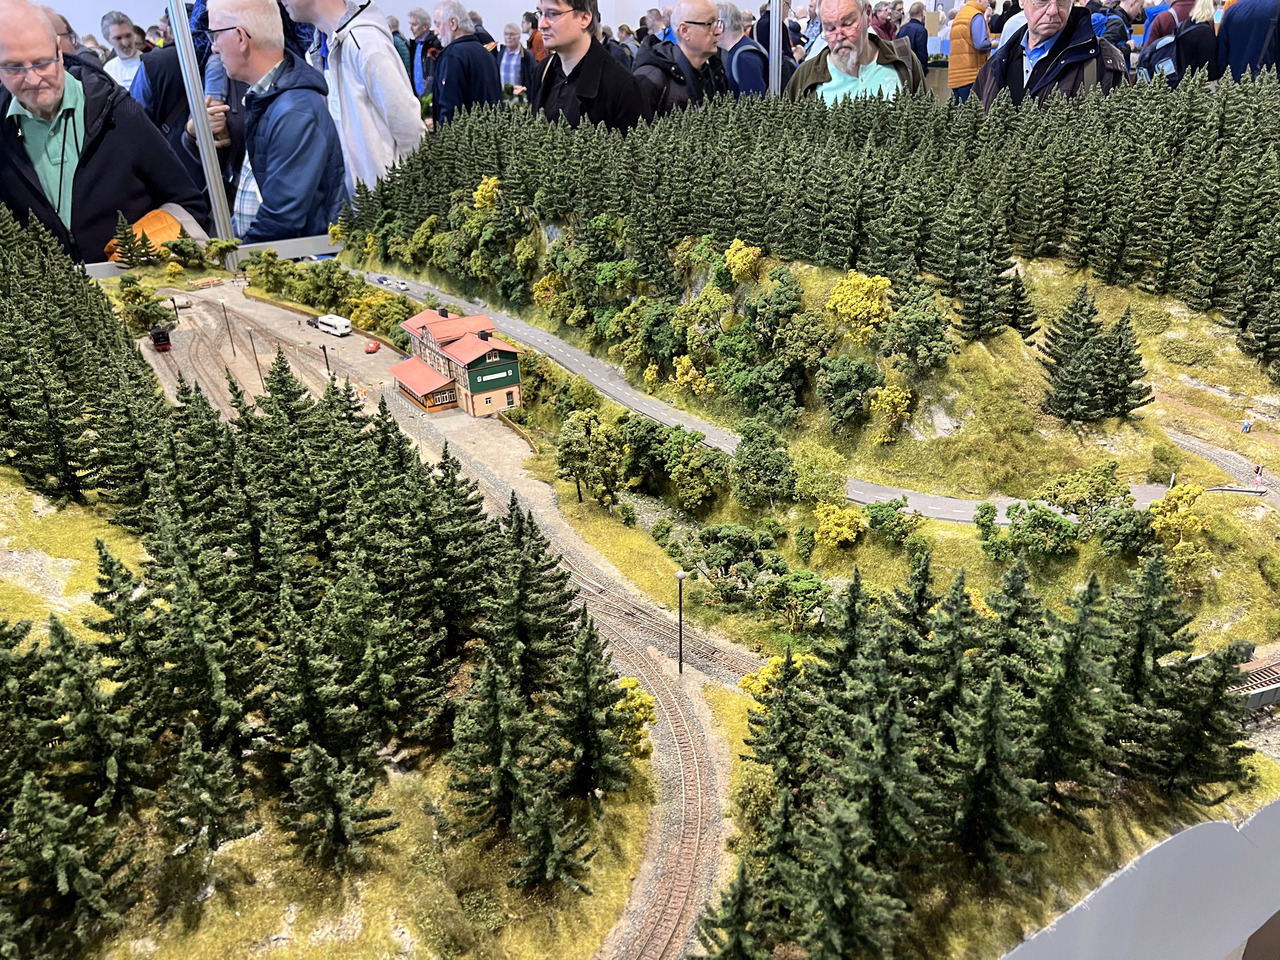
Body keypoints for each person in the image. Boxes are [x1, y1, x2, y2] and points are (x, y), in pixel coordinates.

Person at [0, 0, 207, 262]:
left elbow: (188, 203)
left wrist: (143, 246)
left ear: (60, 51)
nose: (32, 79)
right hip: (44, 287)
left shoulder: (120, 114)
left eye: (42, 63)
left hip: (132, 281)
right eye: (13, 67)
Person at [201, 0, 345, 242]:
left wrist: (235, 258)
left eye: (215, 35)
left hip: (294, 259)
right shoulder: (271, 99)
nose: (214, 47)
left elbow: (281, 220)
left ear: (240, 38)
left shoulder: (293, 111)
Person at [282, 0, 424, 194]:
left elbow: (409, 128)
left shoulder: (365, 43)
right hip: (355, 203)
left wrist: (417, 195)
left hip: (393, 200)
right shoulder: (316, 54)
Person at [973, 0, 1127, 106]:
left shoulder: (1103, 61)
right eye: (1042, 0)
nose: (1053, 10)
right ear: (1022, 2)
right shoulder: (995, 66)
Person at [534, 0, 648, 128]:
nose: (541, 25)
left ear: (584, 18)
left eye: (553, 14)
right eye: (540, 13)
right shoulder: (543, 71)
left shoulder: (623, 87)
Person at [786, 0, 924, 98]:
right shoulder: (805, 77)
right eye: (830, 28)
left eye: (847, 24)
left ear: (868, 14)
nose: (839, 36)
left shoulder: (903, 61)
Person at [632, 0, 730, 114]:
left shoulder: (716, 72)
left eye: (718, 23)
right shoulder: (652, 79)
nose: (718, 31)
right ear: (684, 31)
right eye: (709, 24)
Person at [432, 0, 502, 123]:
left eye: (438, 25)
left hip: (464, 133)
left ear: (453, 23)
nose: (435, 31)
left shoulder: (452, 56)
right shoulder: (486, 53)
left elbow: (450, 108)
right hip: (490, 130)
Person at [1214, 0, 1278, 80]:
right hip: (1270, 81)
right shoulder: (1275, 9)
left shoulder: (1232, 10)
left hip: (1235, 81)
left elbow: (1221, 57)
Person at [717, 0, 769, 93]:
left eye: (711, 23)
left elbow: (754, 99)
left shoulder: (745, 57)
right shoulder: (741, 52)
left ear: (720, 25)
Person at [949, 0, 991, 101]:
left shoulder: (960, 15)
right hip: (971, 75)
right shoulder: (976, 16)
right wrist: (991, 44)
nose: (989, 3)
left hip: (955, 76)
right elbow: (980, 44)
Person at [100, 10, 143, 87]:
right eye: (118, 38)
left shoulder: (148, 63)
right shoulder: (108, 69)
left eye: (128, 36)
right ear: (107, 39)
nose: (125, 43)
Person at [494, 20, 538, 95]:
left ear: (519, 36)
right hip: (502, 97)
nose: (508, 37)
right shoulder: (500, 53)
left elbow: (533, 78)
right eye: (506, 34)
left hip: (519, 97)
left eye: (512, 34)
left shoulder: (526, 56)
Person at [407, 7, 442, 95]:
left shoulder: (435, 44)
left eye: (414, 25)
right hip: (417, 97)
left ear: (424, 27)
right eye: (410, 24)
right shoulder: (413, 45)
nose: (410, 28)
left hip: (432, 96)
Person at [898, 0, 929, 71]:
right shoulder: (921, 30)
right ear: (922, 13)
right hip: (915, 69)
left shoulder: (902, 29)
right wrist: (923, 70)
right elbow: (922, 53)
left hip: (902, 68)